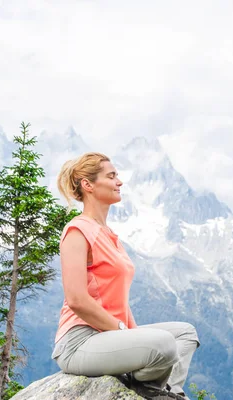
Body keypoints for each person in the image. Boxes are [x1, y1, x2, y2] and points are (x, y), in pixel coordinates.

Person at [51, 152, 200, 398]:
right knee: (163, 344)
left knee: (184, 333)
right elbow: (77, 299)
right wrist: (124, 332)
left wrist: (135, 337)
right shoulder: (77, 231)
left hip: (110, 336)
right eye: (111, 176)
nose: (119, 182)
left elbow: (117, 299)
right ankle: (152, 389)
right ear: (88, 185)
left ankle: (162, 390)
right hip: (79, 342)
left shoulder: (109, 234)